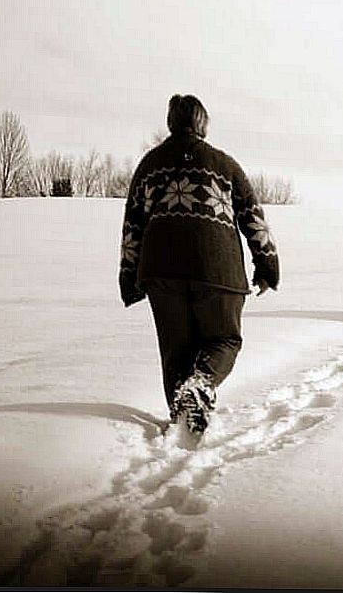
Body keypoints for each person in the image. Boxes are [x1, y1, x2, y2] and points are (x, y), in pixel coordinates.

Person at [119, 94, 280, 436]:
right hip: (217, 269)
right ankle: (201, 384)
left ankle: (183, 421)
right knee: (224, 340)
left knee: (176, 349)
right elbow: (253, 217)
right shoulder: (224, 165)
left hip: (161, 271)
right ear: (202, 122)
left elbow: (132, 225)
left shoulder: (150, 165)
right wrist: (267, 266)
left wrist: (129, 275)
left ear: (171, 122)